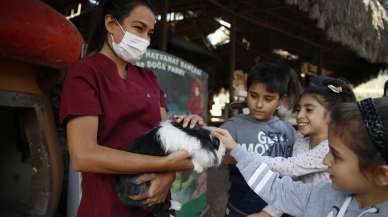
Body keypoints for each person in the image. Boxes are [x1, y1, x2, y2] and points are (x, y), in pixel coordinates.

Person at [59, 1, 203, 217]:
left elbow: (165, 138)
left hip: (156, 206)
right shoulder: (85, 73)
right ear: (110, 23)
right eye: (138, 28)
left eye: (150, 32)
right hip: (108, 205)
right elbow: (84, 155)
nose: (144, 38)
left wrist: (170, 172)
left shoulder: (148, 78)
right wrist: (164, 165)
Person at [214, 97, 388, 217]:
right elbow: (278, 188)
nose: (326, 160)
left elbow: (289, 167)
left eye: (336, 156)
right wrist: (238, 151)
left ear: (381, 175)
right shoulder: (324, 194)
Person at [250, 77, 356, 217]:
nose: (300, 115)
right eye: (299, 109)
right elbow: (293, 183)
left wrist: (241, 154)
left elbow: (290, 167)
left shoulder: (330, 148)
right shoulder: (301, 141)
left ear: (332, 115)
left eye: (309, 110)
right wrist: (267, 213)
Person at [221, 63, 297, 217]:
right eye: (253, 96)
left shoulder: (289, 132)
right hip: (240, 209)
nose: (259, 104)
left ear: (281, 100)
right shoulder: (231, 128)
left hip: (277, 210)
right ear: (246, 92)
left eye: (268, 98)